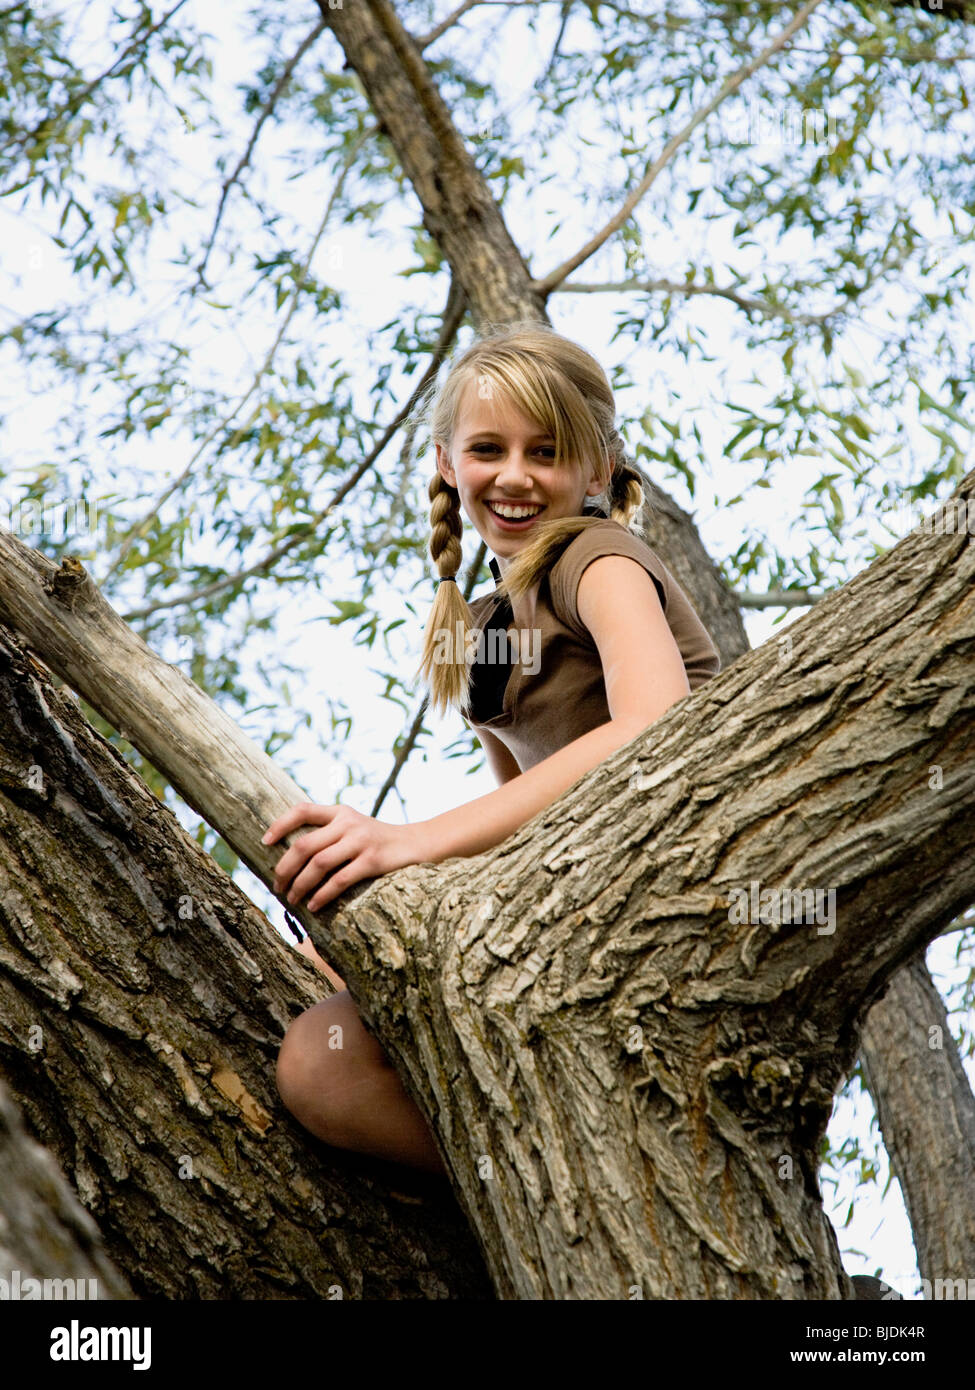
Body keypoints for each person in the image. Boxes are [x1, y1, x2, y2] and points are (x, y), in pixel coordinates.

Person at [265, 323, 720, 1175]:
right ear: (446, 462)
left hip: (672, 883)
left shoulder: (599, 557)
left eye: (544, 452)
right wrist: (383, 906)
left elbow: (650, 727)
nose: (514, 475)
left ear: (596, 470)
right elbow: (518, 834)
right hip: (571, 903)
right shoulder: (476, 632)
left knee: (318, 1063)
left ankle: (600, 1167)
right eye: (487, 448)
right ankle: (546, 1164)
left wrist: (403, 843)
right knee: (322, 1055)